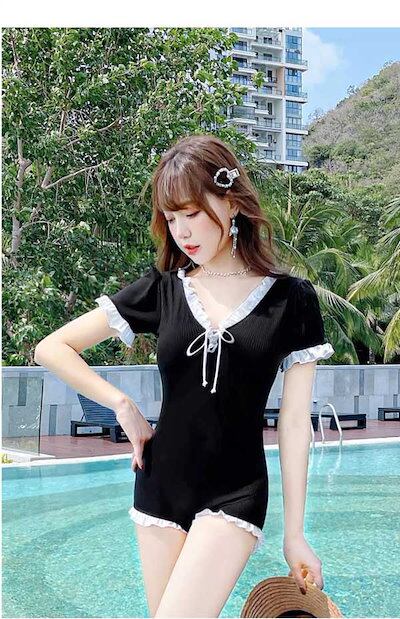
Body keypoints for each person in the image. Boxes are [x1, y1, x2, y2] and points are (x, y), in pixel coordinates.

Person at [34, 134, 335, 618]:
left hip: (235, 492)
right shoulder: (163, 289)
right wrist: (123, 406)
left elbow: (295, 422)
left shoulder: (292, 300)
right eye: (171, 219)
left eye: (191, 213)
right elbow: (51, 348)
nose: (181, 232)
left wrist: (294, 534)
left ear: (231, 203)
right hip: (159, 486)